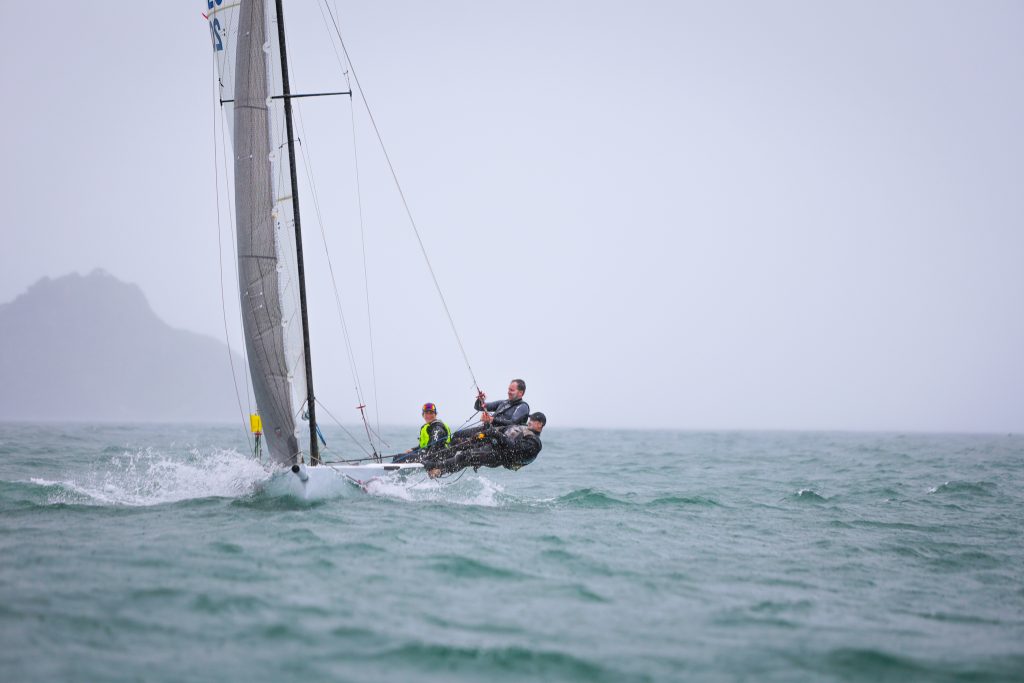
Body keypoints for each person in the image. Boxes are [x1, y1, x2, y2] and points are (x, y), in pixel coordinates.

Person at [423, 412, 546, 477]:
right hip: (495, 447)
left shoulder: (534, 443)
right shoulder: (524, 429)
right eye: (531, 419)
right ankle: (438, 468)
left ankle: (434, 466)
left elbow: (513, 447)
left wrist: (496, 434)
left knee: (465, 456)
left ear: (540, 425)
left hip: (499, 457)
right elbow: (503, 430)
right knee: (464, 447)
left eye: (534, 420)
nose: (530, 422)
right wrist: (487, 430)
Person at [450, 379, 531, 444]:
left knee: (469, 441)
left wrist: (492, 419)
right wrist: (480, 400)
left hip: (498, 436)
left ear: (521, 393)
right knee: (457, 435)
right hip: (486, 430)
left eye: (512, 390)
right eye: (508, 389)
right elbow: (479, 407)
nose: (508, 392)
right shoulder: (503, 403)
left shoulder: (523, 407)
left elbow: (513, 422)